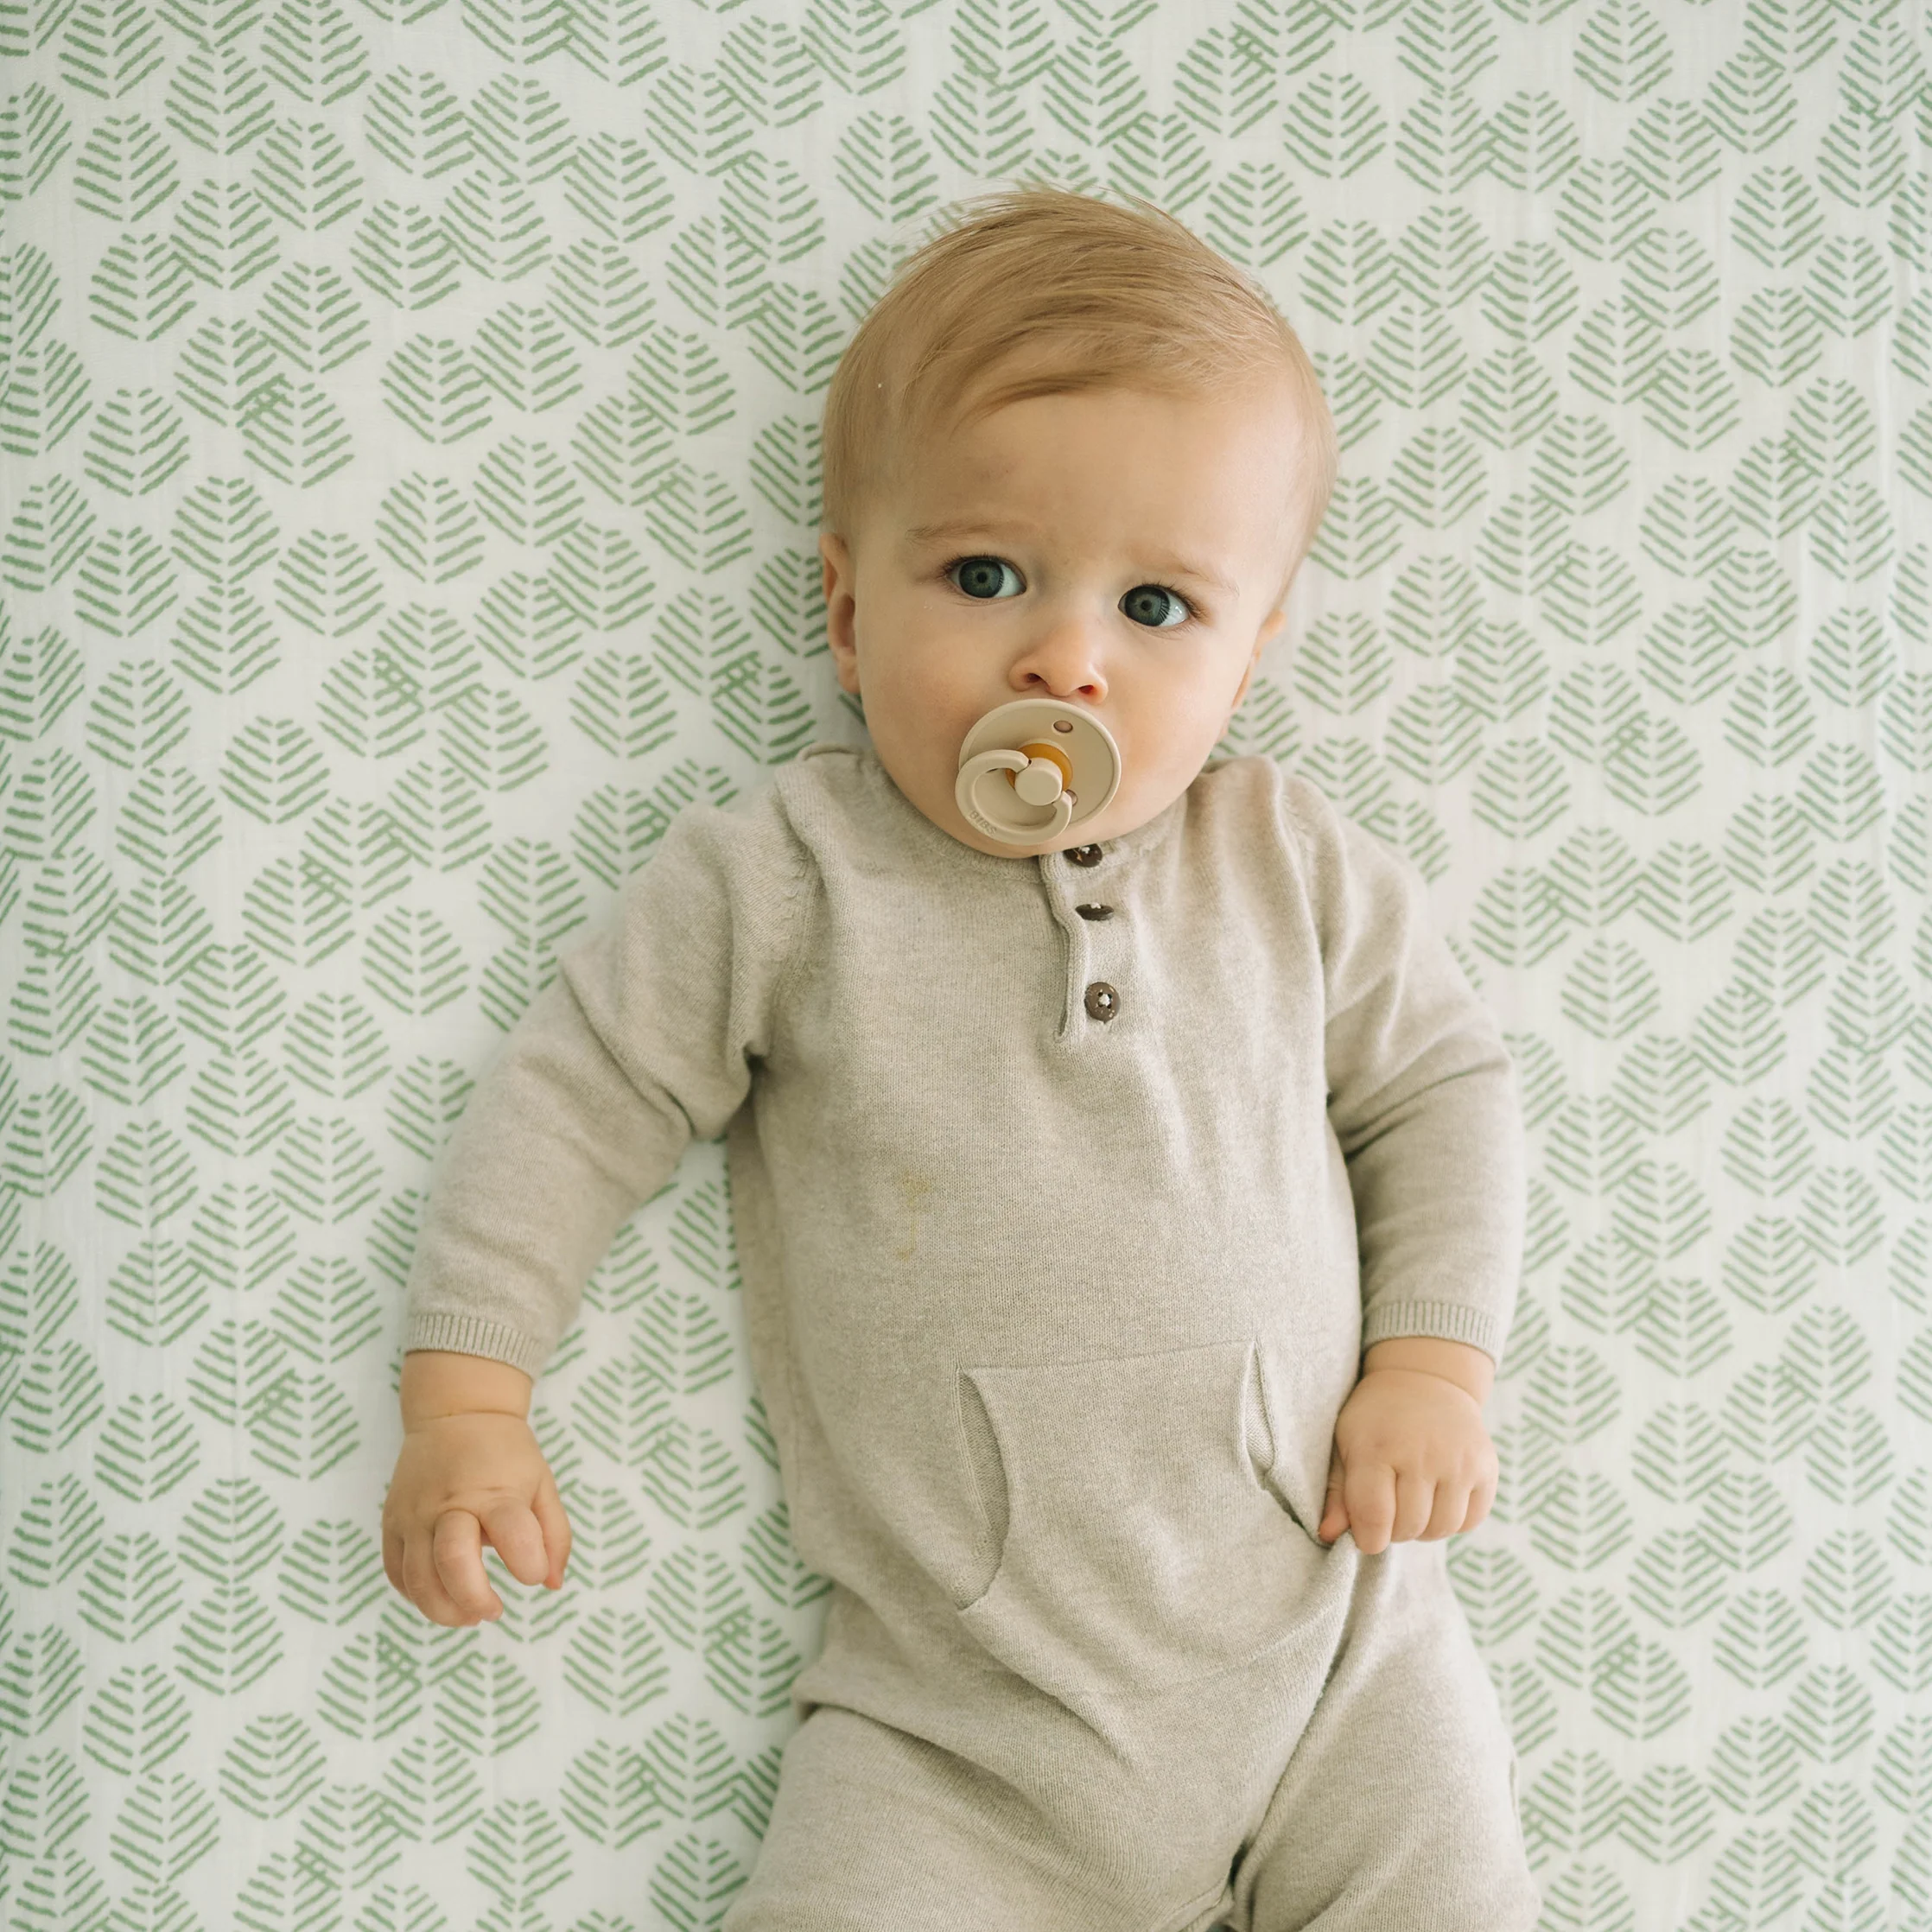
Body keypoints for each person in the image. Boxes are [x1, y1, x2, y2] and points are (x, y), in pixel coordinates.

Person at [382, 183, 1541, 1932]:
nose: (1063, 656)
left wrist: (1433, 1366)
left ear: (1247, 658)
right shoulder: (787, 874)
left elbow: (1440, 1091)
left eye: (1157, 606)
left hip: (1340, 1650)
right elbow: (577, 1088)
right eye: (983, 575)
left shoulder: (1285, 864)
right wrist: (465, 1397)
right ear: (845, 612)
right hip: (963, 1721)